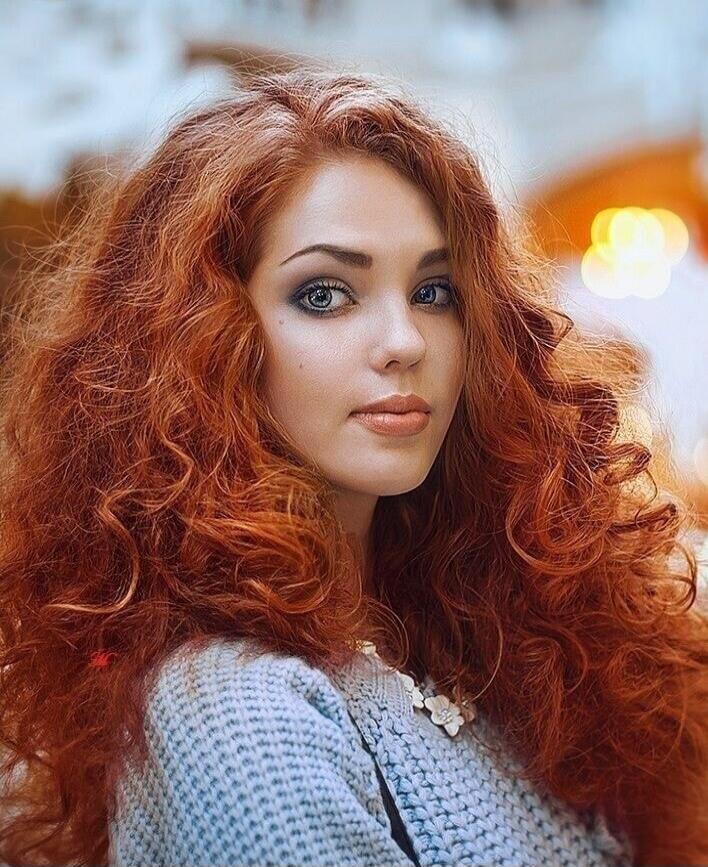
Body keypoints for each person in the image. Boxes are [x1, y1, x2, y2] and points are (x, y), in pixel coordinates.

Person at [0, 67, 705, 867]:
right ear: (205, 341)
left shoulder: (478, 638)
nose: (404, 341)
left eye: (435, 291)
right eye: (325, 294)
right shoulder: (234, 714)